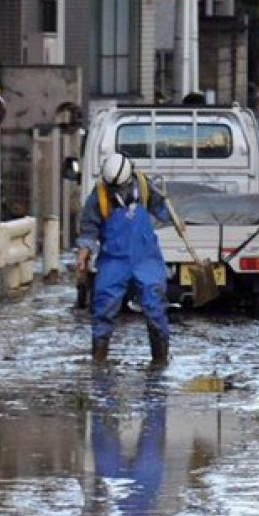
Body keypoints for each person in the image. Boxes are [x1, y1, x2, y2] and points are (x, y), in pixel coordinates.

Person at [76, 153, 172, 366]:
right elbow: (89, 229)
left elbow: (163, 208)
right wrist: (84, 254)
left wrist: (176, 218)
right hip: (113, 260)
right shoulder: (98, 197)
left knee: (155, 305)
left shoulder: (145, 187)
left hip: (146, 259)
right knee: (103, 307)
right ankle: (99, 359)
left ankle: (160, 360)